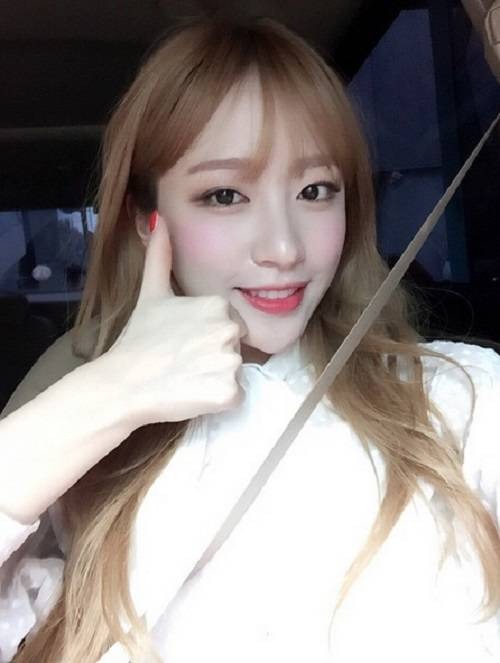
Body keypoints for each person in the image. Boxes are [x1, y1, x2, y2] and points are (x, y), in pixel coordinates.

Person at [0, 15, 499, 663]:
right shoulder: (77, 457)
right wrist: (113, 393)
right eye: (225, 195)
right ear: (147, 221)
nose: (284, 248)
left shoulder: (460, 400)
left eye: (315, 190)